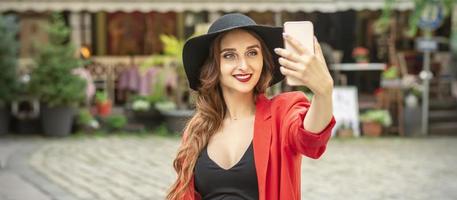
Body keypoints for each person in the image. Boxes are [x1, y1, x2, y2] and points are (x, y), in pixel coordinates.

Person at [167, 13, 336, 200]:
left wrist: (324, 93)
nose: (243, 65)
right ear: (214, 65)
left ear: (263, 60)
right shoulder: (197, 129)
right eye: (229, 55)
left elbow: (311, 139)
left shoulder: (282, 113)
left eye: (252, 53)